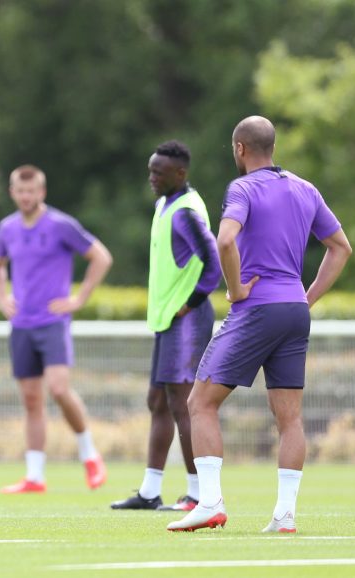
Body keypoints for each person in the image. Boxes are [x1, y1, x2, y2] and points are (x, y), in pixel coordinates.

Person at [168, 116, 351, 533]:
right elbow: (341, 248)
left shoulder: (243, 187)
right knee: (290, 417)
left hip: (257, 309)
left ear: (239, 149)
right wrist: (307, 298)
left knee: (200, 403)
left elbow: (225, 240)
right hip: (294, 311)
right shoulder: (306, 189)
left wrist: (234, 290)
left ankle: (210, 502)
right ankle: (284, 516)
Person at [0, 165, 113, 494]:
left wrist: (79, 298)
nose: (26, 196)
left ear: (42, 192)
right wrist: (2, 298)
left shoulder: (60, 224)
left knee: (58, 389)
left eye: (32, 191)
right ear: (12, 192)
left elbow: (100, 257)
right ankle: (35, 476)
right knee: (31, 400)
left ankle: (90, 455)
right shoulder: (7, 228)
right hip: (22, 324)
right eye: (20, 190)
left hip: (53, 323)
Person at [111, 141, 220, 512]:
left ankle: (197, 495)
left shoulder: (186, 212)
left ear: (180, 174)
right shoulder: (164, 204)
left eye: (159, 172)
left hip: (186, 320)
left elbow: (214, 264)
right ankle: (149, 491)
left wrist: (189, 304)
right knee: (157, 401)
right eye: (150, 170)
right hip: (166, 321)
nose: (151, 178)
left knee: (183, 404)